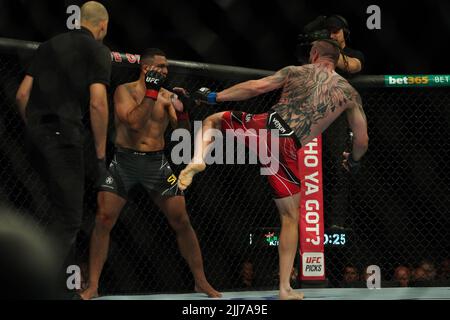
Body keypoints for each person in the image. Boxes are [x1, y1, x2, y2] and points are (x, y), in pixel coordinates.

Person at [178, 40, 369, 300]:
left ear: (314, 54)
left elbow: (255, 87)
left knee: (214, 121)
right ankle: (284, 289)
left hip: (267, 126)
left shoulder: (295, 71)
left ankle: (198, 158)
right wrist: (354, 159)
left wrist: (214, 96)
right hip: (290, 147)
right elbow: (362, 140)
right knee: (290, 219)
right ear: (337, 60)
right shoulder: (349, 93)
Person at [80, 48, 221, 300]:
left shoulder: (167, 96)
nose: (166, 71)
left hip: (157, 165)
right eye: (161, 66)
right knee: (103, 219)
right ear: (146, 68)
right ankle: (93, 285)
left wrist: (185, 110)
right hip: (124, 162)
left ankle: (201, 281)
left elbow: (183, 131)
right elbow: (133, 123)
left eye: (167, 66)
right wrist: (152, 93)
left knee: (182, 220)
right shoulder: (124, 91)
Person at [15, 1, 111, 297]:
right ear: (102, 26)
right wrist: (100, 154)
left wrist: (34, 128)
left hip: (34, 139)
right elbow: (97, 102)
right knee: (69, 218)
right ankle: (35, 285)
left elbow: (21, 94)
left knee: (40, 212)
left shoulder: (49, 45)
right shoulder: (98, 50)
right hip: (64, 137)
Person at [323, 15, 366, 231]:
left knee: (339, 170)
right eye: (329, 31)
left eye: (336, 31)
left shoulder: (353, 55)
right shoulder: (318, 54)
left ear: (344, 32)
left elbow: (353, 66)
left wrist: (327, 49)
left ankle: (336, 222)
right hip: (317, 116)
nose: (332, 34)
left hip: (340, 120)